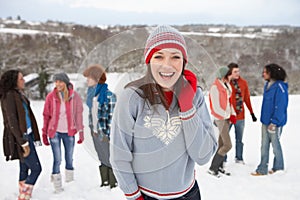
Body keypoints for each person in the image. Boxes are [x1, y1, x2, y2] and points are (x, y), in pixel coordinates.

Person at [110, 25, 217, 200]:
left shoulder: (195, 95)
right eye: (159, 56)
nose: (167, 65)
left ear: (184, 62)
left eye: (175, 57)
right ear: (149, 61)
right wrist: (133, 195)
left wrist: (187, 107)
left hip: (188, 195)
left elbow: (203, 156)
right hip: (145, 196)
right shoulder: (132, 97)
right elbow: (119, 154)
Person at [0, 70, 42, 200]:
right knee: (36, 169)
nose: (23, 80)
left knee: (24, 167)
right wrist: (22, 141)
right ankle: (24, 196)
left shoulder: (18, 94)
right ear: (14, 81)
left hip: (27, 135)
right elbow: (12, 121)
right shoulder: (9, 96)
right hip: (20, 138)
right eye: (21, 79)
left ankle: (22, 193)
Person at [42, 72, 84, 193]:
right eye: (56, 81)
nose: (58, 84)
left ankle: (70, 184)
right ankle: (57, 185)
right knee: (58, 159)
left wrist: (80, 132)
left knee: (69, 158)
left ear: (65, 82)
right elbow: (46, 115)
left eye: (60, 81)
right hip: (54, 132)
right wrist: (44, 133)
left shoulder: (74, 96)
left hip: (69, 132)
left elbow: (78, 115)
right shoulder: (51, 97)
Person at [83, 64, 118, 189]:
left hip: (105, 133)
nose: (87, 80)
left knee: (110, 157)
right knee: (101, 156)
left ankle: (114, 183)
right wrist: (92, 129)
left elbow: (112, 119)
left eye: (89, 77)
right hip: (95, 132)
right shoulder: (91, 96)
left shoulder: (109, 96)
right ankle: (105, 182)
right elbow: (91, 114)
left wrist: (108, 135)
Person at [251, 63, 288, 176]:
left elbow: (281, 105)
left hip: (275, 123)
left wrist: (275, 122)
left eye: (265, 72)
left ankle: (279, 167)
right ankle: (262, 168)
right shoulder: (267, 85)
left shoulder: (280, 87)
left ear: (272, 73)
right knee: (264, 145)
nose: (263, 74)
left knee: (275, 145)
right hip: (265, 121)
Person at [208, 66, 236, 177]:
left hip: (227, 117)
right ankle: (213, 168)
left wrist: (232, 114)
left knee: (221, 144)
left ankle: (219, 167)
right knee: (227, 145)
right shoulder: (215, 87)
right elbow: (216, 107)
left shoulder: (226, 86)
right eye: (229, 75)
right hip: (220, 118)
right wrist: (227, 115)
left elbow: (229, 103)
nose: (231, 77)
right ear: (224, 75)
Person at [227, 62, 257, 164]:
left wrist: (252, 113)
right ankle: (223, 159)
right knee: (225, 139)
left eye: (238, 71)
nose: (237, 73)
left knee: (239, 139)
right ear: (230, 72)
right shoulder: (226, 83)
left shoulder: (243, 83)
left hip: (240, 116)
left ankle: (239, 158)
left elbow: (247, 98)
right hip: (229, 115)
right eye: (235, 72)